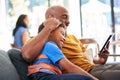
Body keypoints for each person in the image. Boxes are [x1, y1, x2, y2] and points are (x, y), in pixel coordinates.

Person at [21, 5, 120, 79]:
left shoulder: (71, 37)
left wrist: (100, 61)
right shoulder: (40, 41)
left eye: (68, 18)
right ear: (50, 17)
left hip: (95, 67)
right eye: (64, 17)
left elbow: (86, 58)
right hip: (86, 72)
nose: (68, 21)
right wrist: (48, 28)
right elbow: (27, 54)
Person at [28, 20, 97, 80]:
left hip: (40, 76)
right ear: (50, 32)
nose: (64, 38)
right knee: (85, 79)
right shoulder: (50, 45)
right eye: (62, 34)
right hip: (43, 77)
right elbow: (71, 68)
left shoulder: (41, 47)